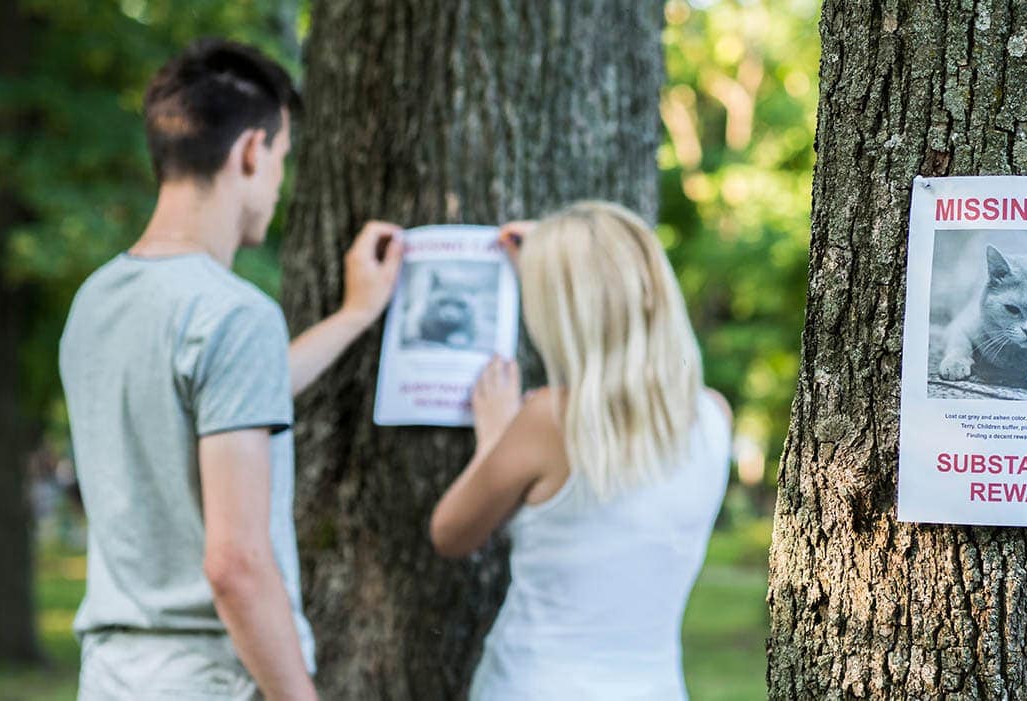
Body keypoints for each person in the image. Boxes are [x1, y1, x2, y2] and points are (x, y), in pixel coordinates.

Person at [59, 39, 403, 700]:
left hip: (112, 675)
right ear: (251, 151)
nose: (278, 180)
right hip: (210, 677)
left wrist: (357, 314)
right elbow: (236, 564)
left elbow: (225, 396)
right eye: (281, 157)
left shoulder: (96, 302)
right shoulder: (233, 316)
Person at [429, 201, 733, 700]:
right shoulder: (713, 418)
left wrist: (494, 439)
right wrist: (559, 250)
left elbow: (451, 533)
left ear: (561, 312)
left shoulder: (550, 420)